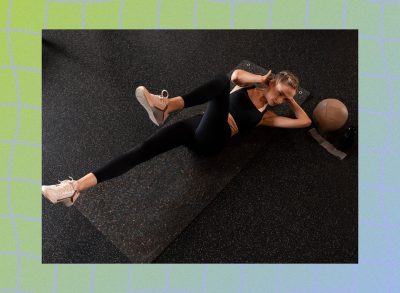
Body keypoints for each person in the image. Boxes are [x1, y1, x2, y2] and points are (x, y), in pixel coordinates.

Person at [42, 69, 312, 207]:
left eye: (283, 97)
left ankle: (167, 106)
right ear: (270, 82)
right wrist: (262, 77)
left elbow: (305, 121)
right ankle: (74, 188)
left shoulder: (267, 115)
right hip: (197, 125)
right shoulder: (251, 83)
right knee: (143, 150)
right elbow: (237, 76)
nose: (279, 99)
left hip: (213, 140)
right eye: (279, 92)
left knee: (220, 83)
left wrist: (291, 99)